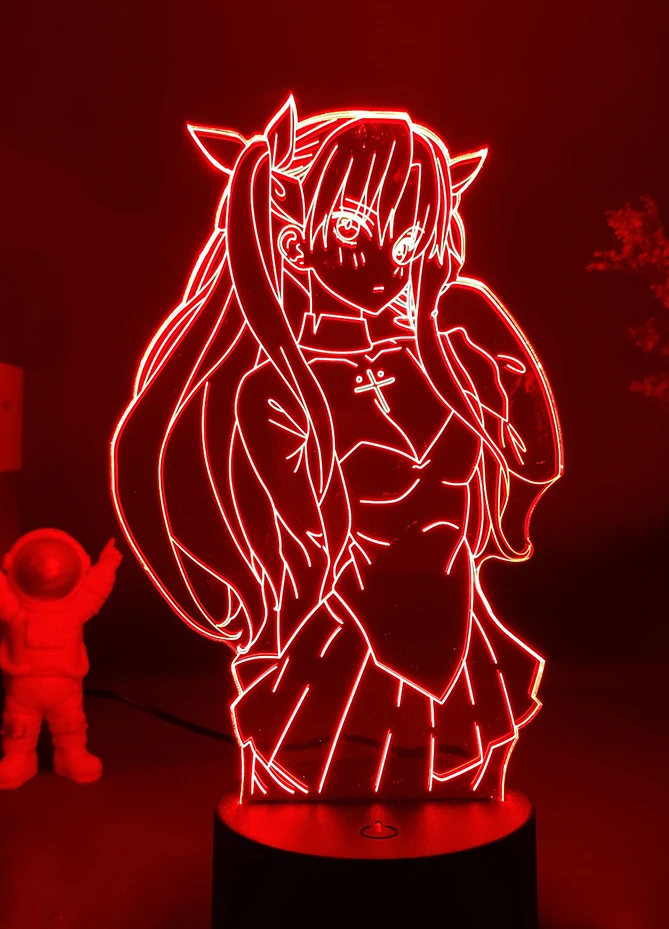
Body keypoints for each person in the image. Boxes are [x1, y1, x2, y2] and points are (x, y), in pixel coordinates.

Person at [112, 99, 562, 799]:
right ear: (294, 241)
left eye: (409, 240)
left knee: (468, 786)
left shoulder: (446, 359)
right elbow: (302, 530)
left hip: (453, 623)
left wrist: (499, 377)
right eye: (354, 228)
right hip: (343, 627)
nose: (387, 263)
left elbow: (526, 465)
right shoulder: (274, 386)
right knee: (317, 783)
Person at [0, 530, 122, 790]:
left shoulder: (74, 611)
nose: (48, 575)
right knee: (19, 723)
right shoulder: (17, 612)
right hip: (24, 687)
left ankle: (71, 755)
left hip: (65, 685)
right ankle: (18, 758)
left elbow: (94, 592)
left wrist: (107, 565)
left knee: (70, 723)